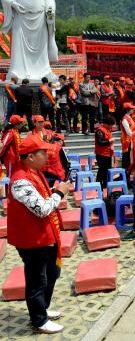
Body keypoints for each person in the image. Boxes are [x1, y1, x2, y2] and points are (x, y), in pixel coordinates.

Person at [7, 135, 70, 334]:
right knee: (36, 280)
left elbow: (41, 198)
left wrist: (53, 191)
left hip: (44, 235)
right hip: (31, 240)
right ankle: (38, 320)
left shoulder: (34, 171)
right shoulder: (20, 180)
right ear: (30, 156)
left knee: (52, 273)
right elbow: (42, 208)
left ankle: (43, 307)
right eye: (43, 152)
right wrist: (59, 193)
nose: (47, 155)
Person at [94, 115, 116, 190]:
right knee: (102, 170)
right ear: (106, 123)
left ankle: (106, 185)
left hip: (108, 153)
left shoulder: (108, 130)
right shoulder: (100, 130)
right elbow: (100, 142)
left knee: (107, 170)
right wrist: (109, 141)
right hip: (101, 154)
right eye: (110, 125)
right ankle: (98, 185)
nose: (111, 126)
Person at [120, 102, 135, 171]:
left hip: (131, 139)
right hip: (127, 140)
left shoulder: (129, 117)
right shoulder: (125, 119)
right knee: (126, 156)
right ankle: (126, 171)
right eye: (131, 109)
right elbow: (128, 132)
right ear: (128, 110)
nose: (133, 110)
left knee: (130, 156)